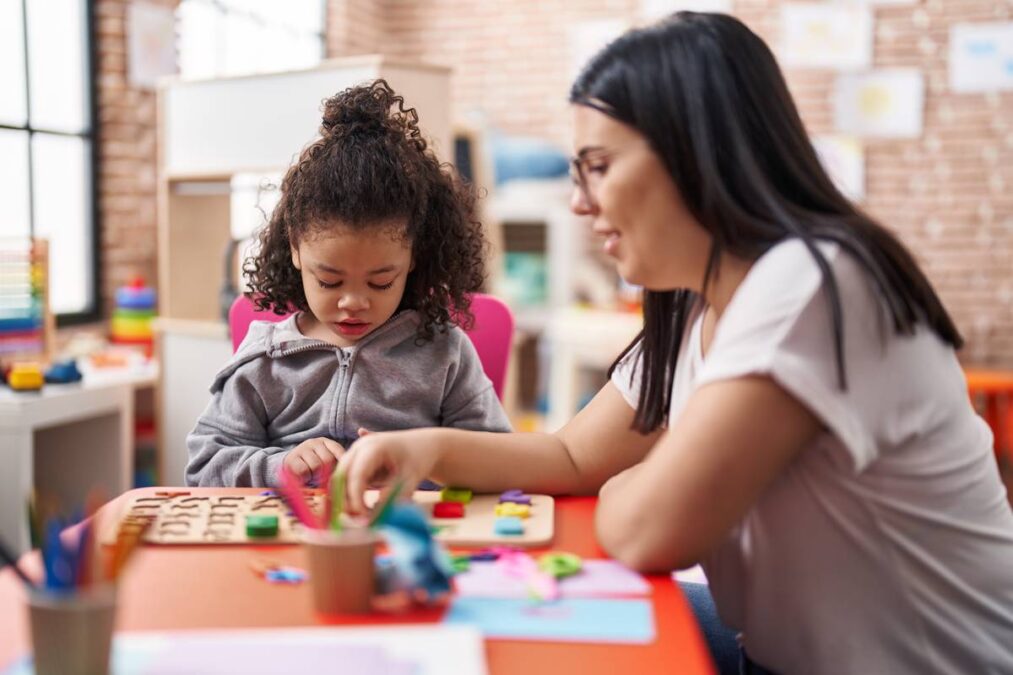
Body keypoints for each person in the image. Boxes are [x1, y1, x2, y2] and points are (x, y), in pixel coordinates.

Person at [338, 13, 1013, 674]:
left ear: (697, 151)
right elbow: (572, 454)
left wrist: (631, 484)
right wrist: (422, 447)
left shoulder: (812, 281)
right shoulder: (697, 303)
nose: (579, 201)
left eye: (597, 166)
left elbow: (647, 531)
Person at [186, 80, 511, 489]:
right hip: (294, 543)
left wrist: (424, 463)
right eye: (329, 280)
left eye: (381, 282)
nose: (353, 302)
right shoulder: (265, 362)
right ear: (296, 251)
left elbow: (498, 456)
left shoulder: (444, 353)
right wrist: (280, 466)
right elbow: (204, 466)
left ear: (412, 260)